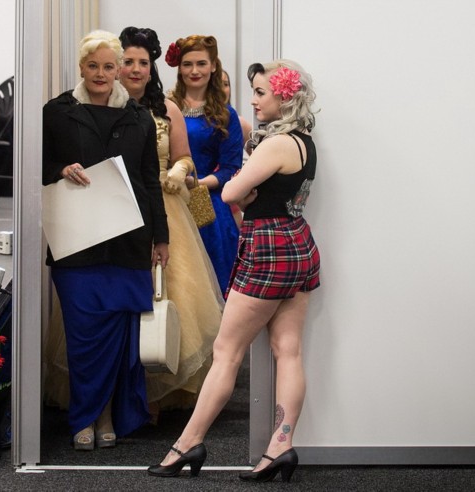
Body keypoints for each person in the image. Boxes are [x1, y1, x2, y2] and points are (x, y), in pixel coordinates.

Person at [148, 59, 320, 483]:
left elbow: (229, 192)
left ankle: (187, 444)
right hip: (297, 243)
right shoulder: (304, 142)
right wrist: (245, 190)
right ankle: (280, 446)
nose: (253, 100)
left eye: (261, 92)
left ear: (284, 97)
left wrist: (241, 188)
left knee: (226, 352)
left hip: (267, 248)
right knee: (289, 350)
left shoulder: (274, 145)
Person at [42, 30, 169, 451]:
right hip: (77, 243)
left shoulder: (139, 117)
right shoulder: (56, 112)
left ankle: (108, 414)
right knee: (83, 338)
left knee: (120, 338)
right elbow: (35, 165)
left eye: (108, 66)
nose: (100, 73)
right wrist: (60, 170)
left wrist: (162, 237)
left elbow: (150, 180)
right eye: (93, 65)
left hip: (129, 243)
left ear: (119, 70)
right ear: (81, 67)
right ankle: (84, 416)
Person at [118, 26, 224, 419]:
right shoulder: (107, 106)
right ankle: (123, 391)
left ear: (152, 68)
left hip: (165, 207)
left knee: (169, 295)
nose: (135, 69)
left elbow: (185, 157)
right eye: (128, 61)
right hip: (119, 208)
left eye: (143, 62)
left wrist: (178, 172)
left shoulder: (166, 108)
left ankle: (161, 392)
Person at [164, 35, 243, 295]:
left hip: (207, 204)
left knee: (210, 286)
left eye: (201, 63)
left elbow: (231, 168)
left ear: (213, 66)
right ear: (179, 68)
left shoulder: (225, 114)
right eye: (187, 64)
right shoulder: (164, 106)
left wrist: (196, 183)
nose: (194, 71)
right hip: (167, 198)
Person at [221, 69, 252, 228]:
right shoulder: (190, 121)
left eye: (226, 84)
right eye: (217, 84)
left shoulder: (239, 123)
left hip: (229, 201)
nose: (222, 89)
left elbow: (259, 157)